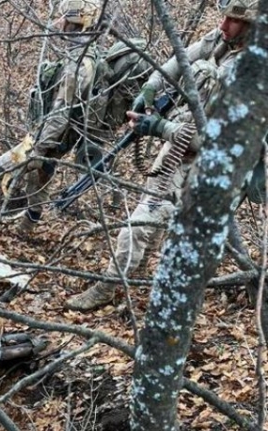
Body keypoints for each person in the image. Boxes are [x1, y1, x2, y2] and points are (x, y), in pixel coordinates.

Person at [64, 0, 257, 312]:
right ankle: (133, 278)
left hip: (212, 165)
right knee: (156, 215)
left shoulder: (252, 76)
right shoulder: (223, 39)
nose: (223, 26)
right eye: (225, 19)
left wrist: (160, 127)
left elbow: (217, 140)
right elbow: (179, 61)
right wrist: (149, 91)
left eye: (234, 22)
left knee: (141, 223)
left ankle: (108, 287)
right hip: (181, 148)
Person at [0, 0, 113, 235]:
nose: (60, 24)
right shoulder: (83, 56)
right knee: (38, 183)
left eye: (67, 21)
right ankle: (26, 229)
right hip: (59, 139)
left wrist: (37, 149)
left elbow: (61, 114)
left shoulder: (78, 65)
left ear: (77, 25)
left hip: (49, 138)